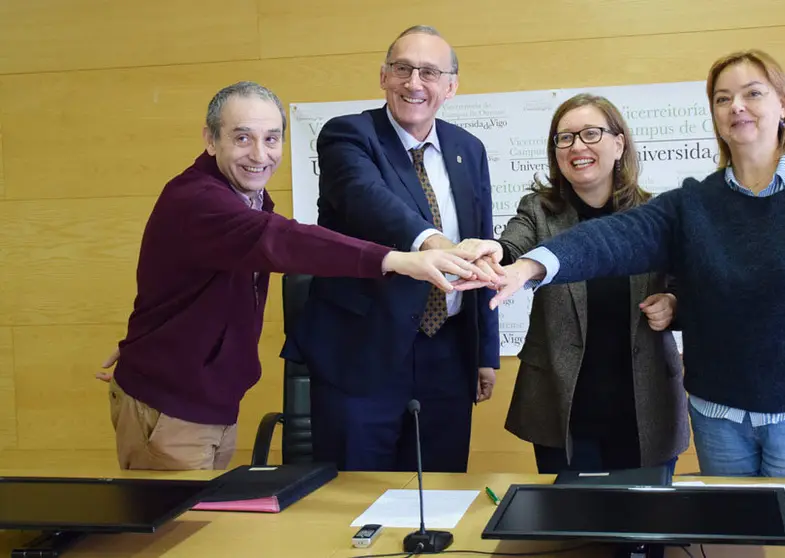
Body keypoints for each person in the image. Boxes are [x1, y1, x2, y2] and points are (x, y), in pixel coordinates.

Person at [470, 49, 785, 480]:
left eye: (752, 93)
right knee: (731, 546)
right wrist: (529, 267)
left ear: (782, 104)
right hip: (719, 420)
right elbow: (612, 237)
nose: (737, 107)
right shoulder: (694, 202)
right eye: (723, 99)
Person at [98, 81, 491, 471]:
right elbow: (285, 240)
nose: (259, 154)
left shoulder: (246, 196)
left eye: (271, 139)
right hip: (170, 403)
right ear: (210, 139)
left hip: (203, 402)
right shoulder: (199, 200)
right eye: (241, 138)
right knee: (177, 531)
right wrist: (398, 259)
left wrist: (149, 338)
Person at [281, 25, 501, 473]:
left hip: (448, 353)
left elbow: (482, 245)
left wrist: (485, 355)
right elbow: (369, 201)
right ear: (383, 76)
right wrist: (433, 243)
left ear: (451, 86)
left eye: (429, 72)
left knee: (438, 491)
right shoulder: (347, 136)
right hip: (362, 352)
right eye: (402, 69)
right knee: (352, 498)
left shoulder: (468, 149)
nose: (413, 83)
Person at [460, 93, 689, 475]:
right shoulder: (538, 210)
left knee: (644, 526)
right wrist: (495, 252)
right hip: (560, 404)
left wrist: (674, 302)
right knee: (570, 527)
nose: (576, 146)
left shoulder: (654, 214)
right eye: (564, 138)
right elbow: (512, 246)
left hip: (644, 404)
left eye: (590, 134)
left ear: (619, 144)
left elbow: (687, 286)